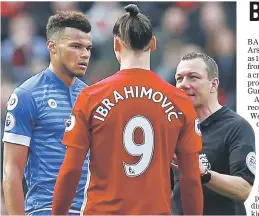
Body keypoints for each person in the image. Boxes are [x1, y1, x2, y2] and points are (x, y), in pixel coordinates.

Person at [52, 4, 203, 215]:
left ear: (116, 45)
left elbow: (71, 170)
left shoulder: (91, 97)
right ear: (153, 43)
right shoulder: (180, 101)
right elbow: (191, 178)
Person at [2, 11, 93, 215]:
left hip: (90, 209)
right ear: (52, 47)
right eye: (75, 46)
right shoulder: (27, 95)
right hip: (45, 209)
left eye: (88, 48)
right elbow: (11, 171)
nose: (85, 54)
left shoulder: (90, 96)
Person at [171, 52, 256, 215]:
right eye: (179, 78)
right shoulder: (173, 129)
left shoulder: (236, 127)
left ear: (213, 84)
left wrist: (204, 174)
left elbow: (244, 189)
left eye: (193, 77)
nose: (183, 84)